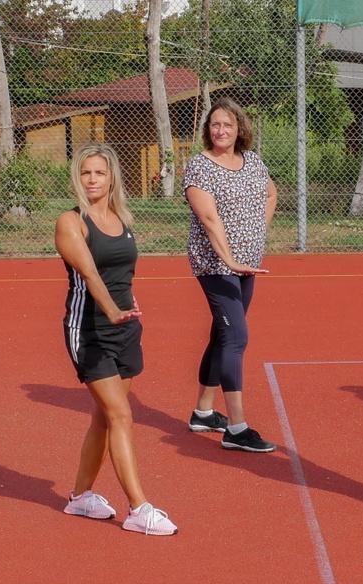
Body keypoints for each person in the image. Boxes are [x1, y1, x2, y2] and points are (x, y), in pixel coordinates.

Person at [55, 144, 177, 536]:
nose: (92, 180)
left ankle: (79, 496)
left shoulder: (121, 218)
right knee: (121, 414)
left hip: (126, 326)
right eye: (86, 173)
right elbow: (90, 274)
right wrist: (110, 309)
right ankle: (139, 508)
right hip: (89, 330)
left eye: (99, 173)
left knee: (104, 418)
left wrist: (127, 304)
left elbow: (122, 269)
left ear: (111, 179)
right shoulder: (71, 222)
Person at [183, 97, 278, 453]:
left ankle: (204, 412)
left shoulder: (252, 161)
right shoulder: (199, 168)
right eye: (215, 125)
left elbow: (271, 193)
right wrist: (229, 259)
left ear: (240, 129)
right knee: (236, 336)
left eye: (228, 125)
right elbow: (208, 219)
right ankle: (236, 428)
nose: (221, 131)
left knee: (222, 335)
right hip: (216, 265)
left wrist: (258, 232)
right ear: (208, 130)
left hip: (247, 263)